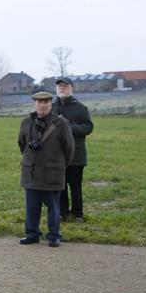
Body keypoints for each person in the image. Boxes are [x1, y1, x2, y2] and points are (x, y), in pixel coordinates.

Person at [18, 91, 75, 247]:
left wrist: (59, 166)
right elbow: (22, 144)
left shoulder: (61, 124)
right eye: (39, 102)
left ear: (51, 104)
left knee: (54, 207)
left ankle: (54, 236)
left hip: (52, 173)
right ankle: (31, 234)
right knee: (32, 207)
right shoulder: (26, 123)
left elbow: (69, 149)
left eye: (46, 102)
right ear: (35, 104)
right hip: (31, 172)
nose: (42, 105)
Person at [53, 77, 93, 222]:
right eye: (60, 86)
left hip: (76, 155)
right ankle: (62, 212)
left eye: (65, 86)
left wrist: (69, 127)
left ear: (72, 88)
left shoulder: (81, 108)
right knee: (60, 185)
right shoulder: (51, 108)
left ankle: (78, 213)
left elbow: (88, 127)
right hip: (57, 155)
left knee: (75, 186)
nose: (62, 88)